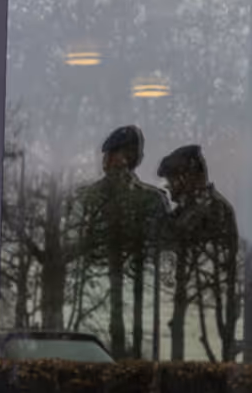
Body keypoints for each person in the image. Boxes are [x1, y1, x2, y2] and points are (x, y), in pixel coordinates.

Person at [69, 125, 168, 359]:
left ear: (131, 158)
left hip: (140, 305)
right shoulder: (86, 199)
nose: (109, 161)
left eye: (115, 155)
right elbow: (73, 250)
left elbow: (161, 254)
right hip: (92, 307)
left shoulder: (152, 201)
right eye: (109, 155)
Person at [157, 144, 242, 362]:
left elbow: (175, 240)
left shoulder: (211, 210)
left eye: (173, 180)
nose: (170, 188)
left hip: (203, 332)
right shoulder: (189, 209)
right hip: (191, 325)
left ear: (188, 177)